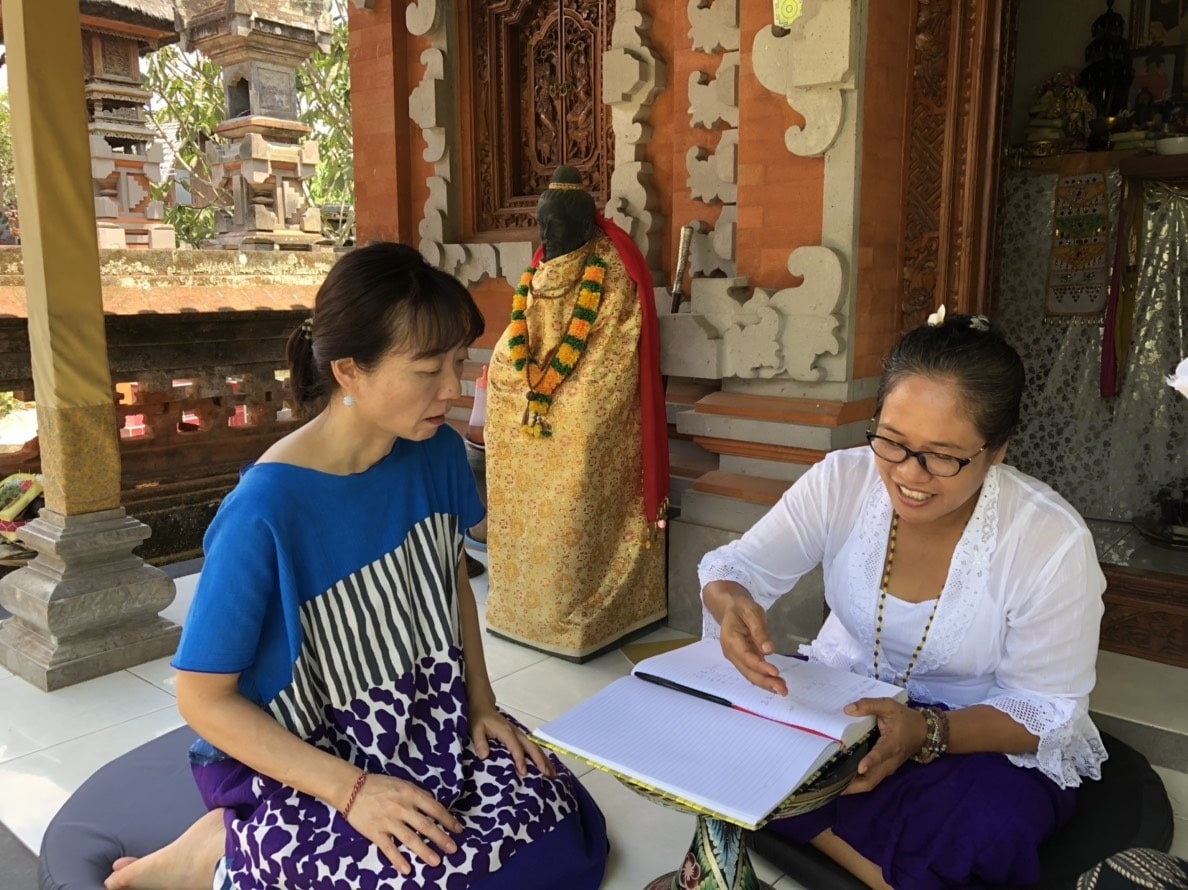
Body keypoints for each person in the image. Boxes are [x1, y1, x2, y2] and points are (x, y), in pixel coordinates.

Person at [104, 243, 608, 890]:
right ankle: (220, 849)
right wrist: (354, 791)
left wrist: (482, 704)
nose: (453, 390)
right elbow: (202, 699)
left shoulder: (436, 452)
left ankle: (224, 844)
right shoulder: (263, 512)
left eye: (458, 362)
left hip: (429, 717)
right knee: (437, 876)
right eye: (427, 370)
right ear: (349, 371)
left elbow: (451, 581)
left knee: (555, 821)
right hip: (316, 753)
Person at [698, 309, 1107, 890]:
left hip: (973, 732)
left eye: (943, 456)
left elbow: (1045, 710)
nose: (909, 476)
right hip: (844, 698)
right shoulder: (842, 481)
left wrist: (926, 732)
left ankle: (801, 817)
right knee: (709, 724)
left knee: (989, 826)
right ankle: (874, 856)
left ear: (997, 451)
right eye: (891, 442)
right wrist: (729, 601)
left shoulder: (1049, 540)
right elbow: (738, 567)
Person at [483, 166, 669, 661]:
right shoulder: (538, 271)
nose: (546, 237)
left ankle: (581, 611)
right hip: (534, 394)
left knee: (581, 432)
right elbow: (515, 340)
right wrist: (520, 384)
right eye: (542, 226)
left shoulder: (609, 269)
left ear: (584, 226)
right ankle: (518, 607)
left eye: (556, 227)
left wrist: (559, 398)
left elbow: (613, 352)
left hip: (583, 392)